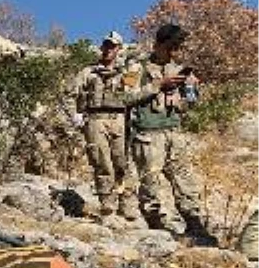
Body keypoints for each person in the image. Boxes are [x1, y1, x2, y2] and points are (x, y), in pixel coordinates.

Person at [121, 23, 217, 245]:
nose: (176, 51)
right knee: (151, 185)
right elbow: (124, 97)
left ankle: (196, 227)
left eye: (178, 46)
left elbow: (188, 105)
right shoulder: (137, 68)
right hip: (148, 134)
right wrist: (158, 85)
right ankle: (157, 230)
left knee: (185, 182)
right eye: (172, 45)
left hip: (174, 132)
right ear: (159, 45)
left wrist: (192, 92)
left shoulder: (178, 68)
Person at [73, 31, 138, 224]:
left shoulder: (127, 71)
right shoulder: (88, 72)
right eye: (106, 45)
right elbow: (73, 93)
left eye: (113, 46)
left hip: (119, 119)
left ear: (119, 49)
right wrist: (75, 114)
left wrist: (124, 73)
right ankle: (106, 203)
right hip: (95, 118)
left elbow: (133, 94)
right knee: (101, 161)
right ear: (102, 47)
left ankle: (127, 205)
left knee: (122, 162)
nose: (109, 49)